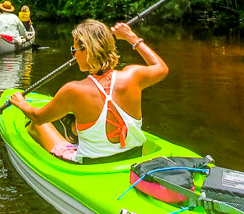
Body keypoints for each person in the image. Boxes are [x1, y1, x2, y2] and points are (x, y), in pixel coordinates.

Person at [9, 19, 168, 163]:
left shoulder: (74, 90)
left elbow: (38, 117)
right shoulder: (133, 76)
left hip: (91, 165)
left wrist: (23, 105)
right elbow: (161, 68)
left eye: (74, 49)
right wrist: (131, 37)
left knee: (37, 126)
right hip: (133, 157)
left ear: (86, 50)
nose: (73, 55)